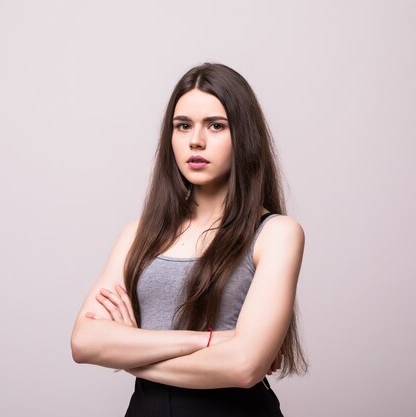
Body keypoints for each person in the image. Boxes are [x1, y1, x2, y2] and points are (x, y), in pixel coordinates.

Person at [70, 63, 307, 416]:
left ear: (244, 136)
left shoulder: (276, 233)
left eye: (216, 125)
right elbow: (84, 342)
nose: (196, 140)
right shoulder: (139, 233)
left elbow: (244, 366)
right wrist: (210, 340)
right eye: (183, 126)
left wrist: (133, 353)